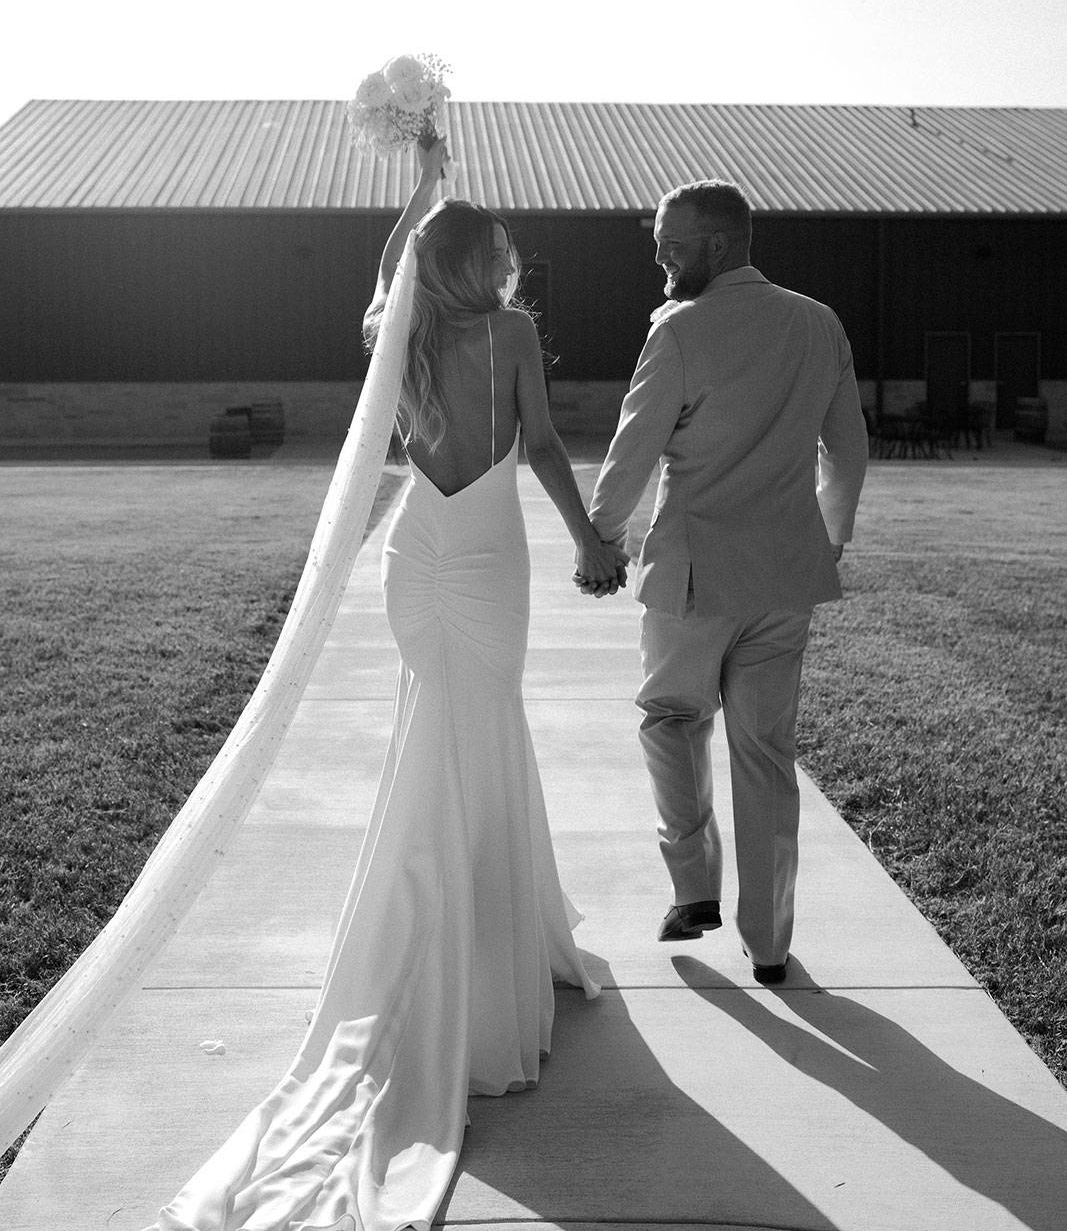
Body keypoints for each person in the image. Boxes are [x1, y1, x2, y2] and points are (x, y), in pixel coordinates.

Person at [148, 138, 626, 1230]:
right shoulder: (508, 333)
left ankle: (455, 922)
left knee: (438, 728)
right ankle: (485, 955)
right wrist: (591, 540)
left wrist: (419, 186)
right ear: (481, 264)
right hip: (491, 549)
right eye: (498, 251)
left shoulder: (393, 333)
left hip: (418, 554)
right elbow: (543, 446)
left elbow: (384, 269)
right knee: (484, 722)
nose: (510, 266)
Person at [582, 178, 868, 985]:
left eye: (672, 246)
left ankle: (693, 889)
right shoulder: (819, 322)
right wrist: (832, 534)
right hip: (785, 576)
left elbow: (634, 446)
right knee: (766, 755)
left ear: (718, 244)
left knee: (671, 719)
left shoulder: (679, 329)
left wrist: (602, 537)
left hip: (694, 576)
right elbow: (845, 448)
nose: (660, 260)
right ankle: (770, 941)